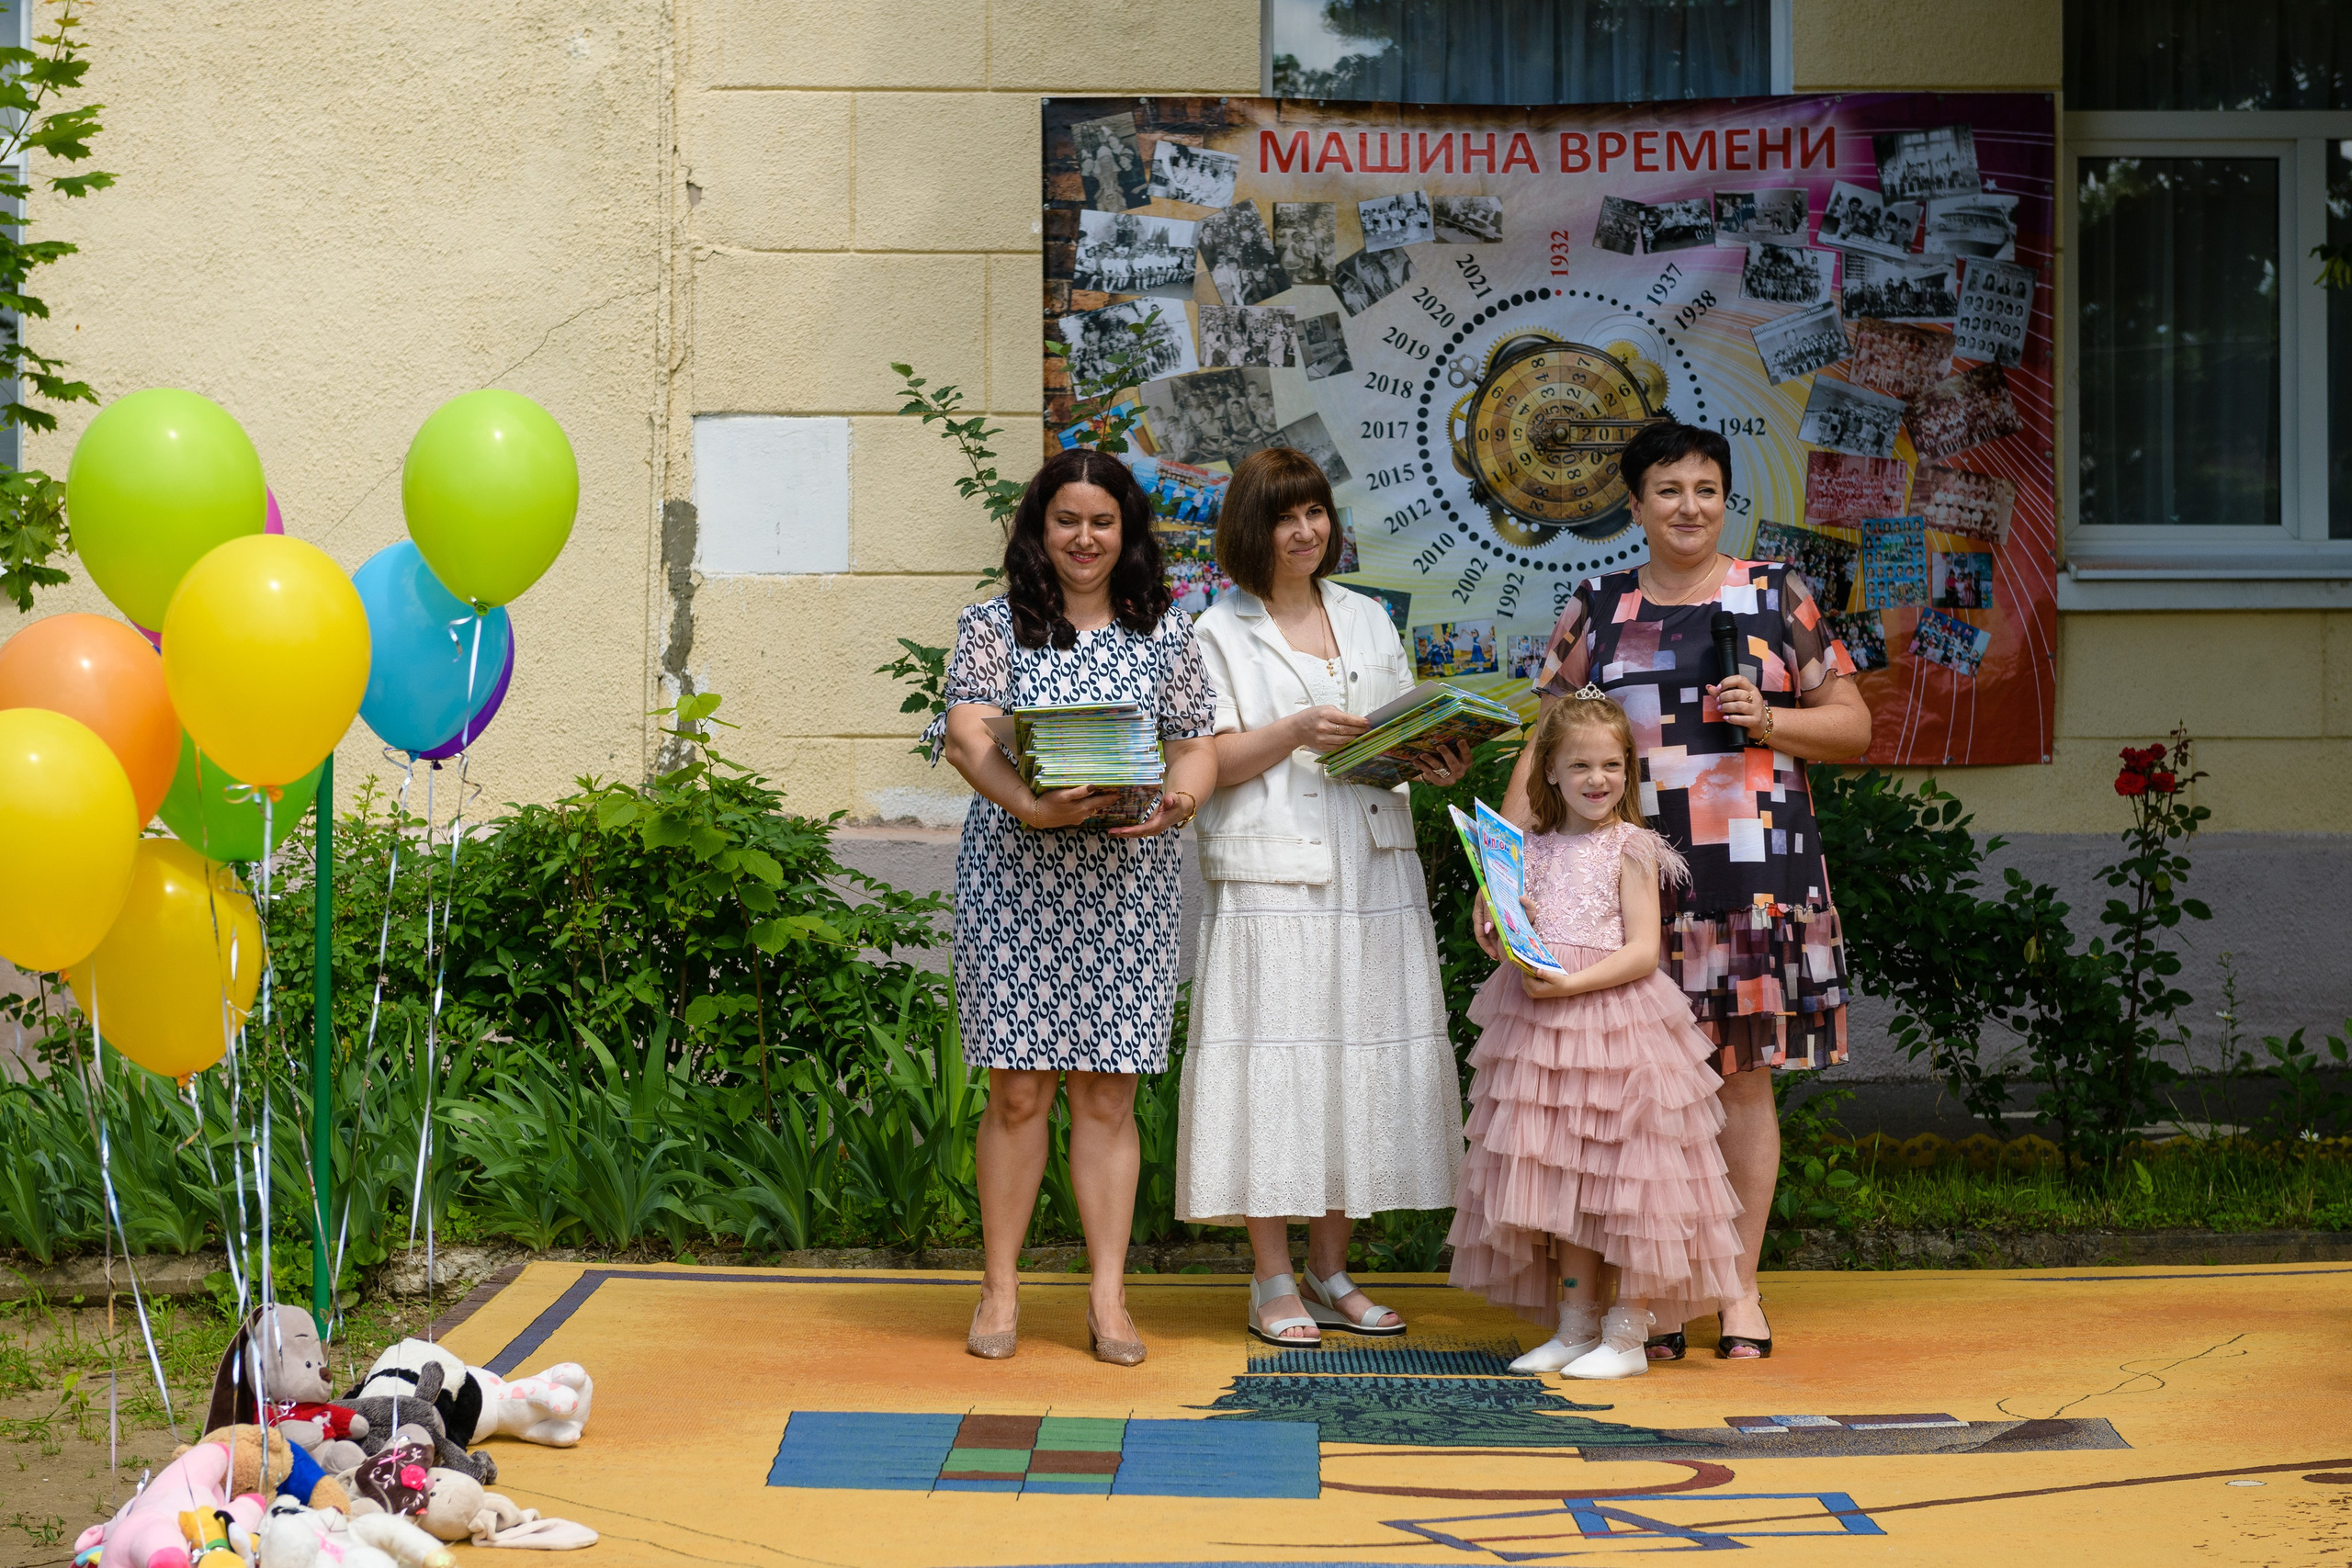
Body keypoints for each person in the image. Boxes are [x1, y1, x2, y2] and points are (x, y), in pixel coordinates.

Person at [1500, 420, 1871, 1361]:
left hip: (1750, 873)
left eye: (1705, 489)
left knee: (1740, 1085)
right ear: (1634, 507)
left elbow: (1856, 729)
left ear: (1725, 500)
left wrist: (1775, 720)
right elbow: (1541, 748)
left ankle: (1736, 1292)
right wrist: (1507, 873)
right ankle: (1654, 1300)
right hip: (1622, 885)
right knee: (1635, 1100)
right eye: (1667, 491)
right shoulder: (1596, 605)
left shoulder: (1773, 593)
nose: (1688, 508)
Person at [925, 446, 1221, 1367]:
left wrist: (1182, 797)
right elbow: (967, 736)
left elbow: (1196, 745)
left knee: (1107, 1092)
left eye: (1101, 521)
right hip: (1016, 877)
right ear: (1038, 528)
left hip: (1126, 884)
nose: (1083, 538)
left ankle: (1107, 1298)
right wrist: (1028, 804)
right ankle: (1000, 1291)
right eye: (1066, 520)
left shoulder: (1167, 631)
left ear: (1125, 530)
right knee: (1017, 1090)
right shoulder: (991, 624)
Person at [1177, 446, 1468, 1346]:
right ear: (1249, 529)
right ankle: (1269, 1276)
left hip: (1374, 859)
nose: (1305, 531)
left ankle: (1331, 1270)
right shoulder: (1216, 632)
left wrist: (1439, 760)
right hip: (1274, 867)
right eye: (1284, 516)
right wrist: (1297, 729)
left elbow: (1398, 729)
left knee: (1356, 1058)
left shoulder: (1370, 617)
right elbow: (1210, 760)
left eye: (1315, 513)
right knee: (1276, 1065)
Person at [1451, 691, 1746, 1379]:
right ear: (1547, 771)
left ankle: (1627, 1332)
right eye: (1579, 764)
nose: (1596, 779)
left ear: (1628, 771)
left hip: (1619, 1027)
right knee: (1568, 1185)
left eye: (1612, 765)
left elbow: (1644, 950)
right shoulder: (1531, 852)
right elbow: (1520, 941)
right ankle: (1576, 1325)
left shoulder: (1633, 846)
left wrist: (1571, 984)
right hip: (1546, 1036)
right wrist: (1506, 933)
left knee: (1630, 1184)